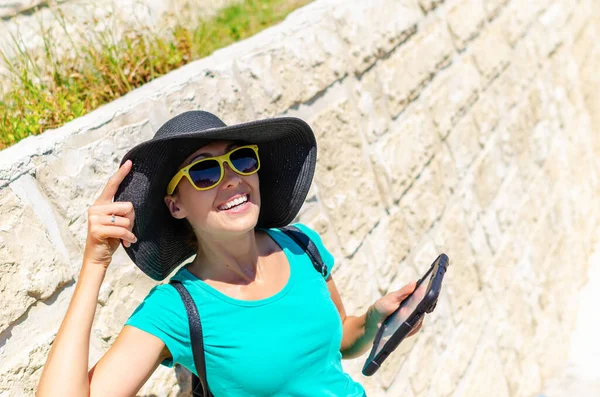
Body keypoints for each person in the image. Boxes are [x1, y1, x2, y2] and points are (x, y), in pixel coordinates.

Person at [37, 111, 422, 397]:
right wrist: (95, 264)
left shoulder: (301, 245)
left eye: (241, 159)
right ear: (176, 206)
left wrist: (373, 321)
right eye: (205, 172)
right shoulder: (176, 308)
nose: (233, 178)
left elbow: (339, 342)